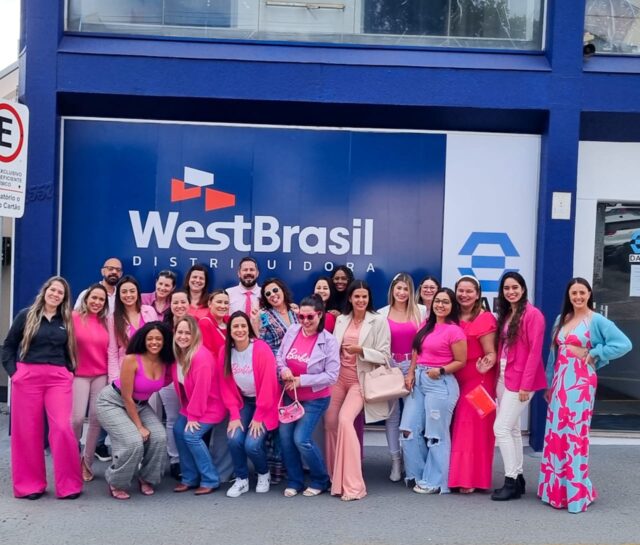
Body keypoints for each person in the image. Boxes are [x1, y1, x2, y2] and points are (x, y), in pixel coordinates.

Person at [538, 277, 632, 513]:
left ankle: (575, 494)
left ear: (589, 294)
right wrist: (549, 384)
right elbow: (553, 355)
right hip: (560, 383)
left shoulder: (596, 320)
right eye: (574, 293)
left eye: (582, 292)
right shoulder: (562, 319)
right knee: (556, 433)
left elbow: (624, 344)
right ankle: (555, 491)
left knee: (574, 436)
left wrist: (595, 353)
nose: (578, 297)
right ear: (568, 296)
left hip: (581, 383)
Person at [2, 276, 82, 500]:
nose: (55, 294)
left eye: (60, 293)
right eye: (53, 290)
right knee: (27, 431)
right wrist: (14, 373)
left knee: (63, 428)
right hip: (27, 377)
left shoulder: (66, 320)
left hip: (58, 378)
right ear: (45, 290)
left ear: (64, 298)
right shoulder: (26, 315)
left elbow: (70, 350)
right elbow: (8, 347)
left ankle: (69, 485)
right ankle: (30, 485)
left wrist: (70, 371)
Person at [325, 280, 392, 501]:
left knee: (345, 420)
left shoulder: (378, 321)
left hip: (360, 380)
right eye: (357, 296)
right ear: (350, 298)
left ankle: (354, 485)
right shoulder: (341, 320)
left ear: (369, 298)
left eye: (364, 296)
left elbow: (385, 356)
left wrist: (361, 350)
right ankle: (334, 477)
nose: (361, 300)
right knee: (330, 422)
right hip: (338, 379)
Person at [96, 322, 173, 500]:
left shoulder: (165, 362)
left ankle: (146, 477)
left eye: (159, 339)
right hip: (113, 402)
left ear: (164, 341)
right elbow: (126, 397)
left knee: (160, 437)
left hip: (141, 404)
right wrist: (139, 426)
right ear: (143, 340)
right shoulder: (132, 359)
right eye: (150, 338)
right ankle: (117, 481)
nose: (154, 342)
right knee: (133, 442)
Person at [400, 287, 466, 495]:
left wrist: (441, 370)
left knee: (436, 435)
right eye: (438, 301)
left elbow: (461, 360)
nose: (440, 305)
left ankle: (436, 481)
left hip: (440, 384)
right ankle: (418, 474)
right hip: (418, 380)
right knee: (408, 430)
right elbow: (416, 351)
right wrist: (410, 373)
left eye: (445, 302)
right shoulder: (426, 325)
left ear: (452, 306)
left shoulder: (454, 331)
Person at [491, 272, 547, 501]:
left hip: (521, 380)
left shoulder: (533, 315)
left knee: (501, 429)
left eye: (515, 287)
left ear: (523, 289)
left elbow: (535, 352)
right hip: (504, 376)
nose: (511, 291)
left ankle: (510, 481)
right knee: (512, 429)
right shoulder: (508, 314)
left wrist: (526, 385)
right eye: (506, 288)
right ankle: (519, 478)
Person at [277, 295, 340, 497]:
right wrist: (283, 369)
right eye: (301, 316)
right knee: (285, 438)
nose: (305, 321)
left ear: (320, 315)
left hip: (315, 398)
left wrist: (301, 380)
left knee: (301, 439)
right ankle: (295, 481)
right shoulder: (292, 331)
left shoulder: (329, 341)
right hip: (290, 396)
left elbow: (332, 375)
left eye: (310, 317)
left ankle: (320, 479)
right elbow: (280, 357)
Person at [218, 311, 279, 498]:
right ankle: (241, 479)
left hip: (265, 404)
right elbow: (225, 386)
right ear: (230, 331)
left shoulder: (261, 349)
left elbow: (269, 385)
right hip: (242, 402)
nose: (240, 330)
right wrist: (234, 414)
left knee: (252, 444)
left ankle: (263, 473)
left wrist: (259, 417)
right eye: (235, 326)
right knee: (234, 438)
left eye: (243, 326)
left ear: (249, 328)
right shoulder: (225, 352)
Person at [448, 276, 497, 494]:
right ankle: (457, 474)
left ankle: (468, 479)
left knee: (470, 426)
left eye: (469, 291)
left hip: (479, 380)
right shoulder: (452, 316)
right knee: (454, 425)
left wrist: (487, 364)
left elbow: (491, 353)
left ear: (478, 294)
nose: (464, 295)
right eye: (461, 290)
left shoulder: (485, 318)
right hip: (454, 378)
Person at [377, 273, 426, 482]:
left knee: (412, 417)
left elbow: (422, 343)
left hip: (412, 366)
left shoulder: (420, 311)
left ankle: (411, 459)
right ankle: (396, 461)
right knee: (392, 416)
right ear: (392, 290)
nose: (402, 292)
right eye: (399, 288)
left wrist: (412, 371)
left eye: (406, 289)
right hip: (390, 366)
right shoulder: (382, 313)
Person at [172, 316, 226, 496]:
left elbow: (202, 390)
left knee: (191, 435)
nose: (183, 336)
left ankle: (210, 479)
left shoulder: (201, 357)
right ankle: (189, 477)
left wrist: (193, 416)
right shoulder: (179, 354)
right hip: (192, 405)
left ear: (195, 335)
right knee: (178, 430)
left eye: (188, 333)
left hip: (211, 406)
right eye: (180, 332)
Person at [72, 283, 110, 483]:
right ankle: (72, 456)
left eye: (101, 299)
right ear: (86, 299)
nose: (97, 302)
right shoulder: (73, 317)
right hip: (79, 374)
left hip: (101, 375)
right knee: (77, 419)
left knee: (96, 419)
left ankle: (86, 463)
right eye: (94, 298)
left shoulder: (107, 321)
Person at [108, 276, 158, 383]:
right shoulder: (113, 318)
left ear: (137, 293)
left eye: (132, 291)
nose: (128, 295)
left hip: (150, 370)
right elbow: (113, 351)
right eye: (124, 292)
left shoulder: (150, 311)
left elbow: (159, 342)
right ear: (119, 295)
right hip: (126, 372)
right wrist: (114, 380)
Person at [251, 278, 298, 356]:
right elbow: (261, 341)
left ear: (282, 290)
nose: (272, 294)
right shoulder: (264, 315)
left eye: (275, 290)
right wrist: (255, 321)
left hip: (299, 357)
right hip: (276, 359)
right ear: (266, 299)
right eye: (268, 294)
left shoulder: (294, 310)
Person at [200, 289, 229, 356]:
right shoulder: (204, 324)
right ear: (209, 304)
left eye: (226, 303)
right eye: (219, 302)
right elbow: (207, 353)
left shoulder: (230, 320)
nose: (223, 306)